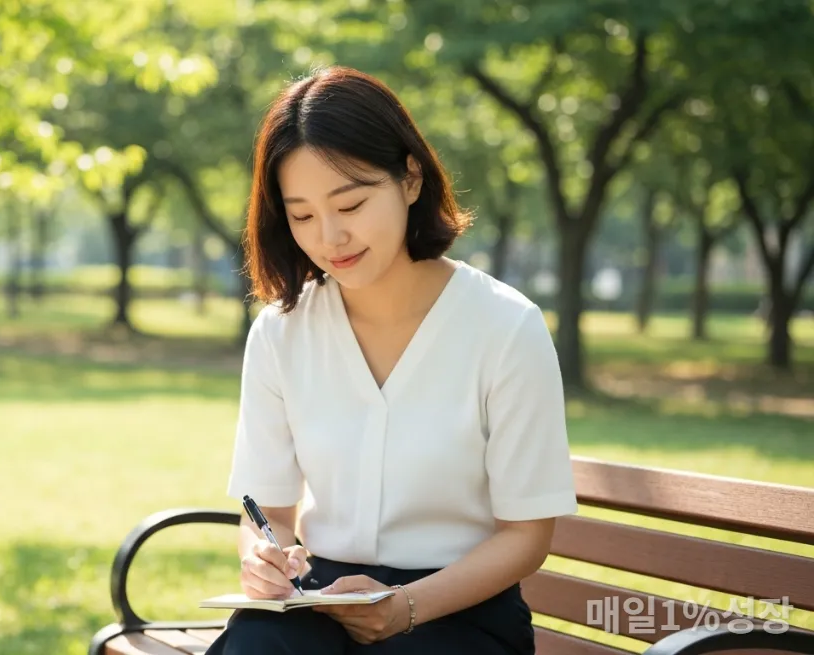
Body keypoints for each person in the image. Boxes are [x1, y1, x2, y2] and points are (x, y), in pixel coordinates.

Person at [204, 65, 578, 655]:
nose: (330, 237)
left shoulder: (506, 328)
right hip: (319, 602)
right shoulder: (281, 332)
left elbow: (527, 536)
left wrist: (406, 607)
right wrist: (262, 556)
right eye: (302, 215)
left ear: (410, 179)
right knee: (260, 644)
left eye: (350, 204)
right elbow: (265, 509)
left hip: (458, 612)